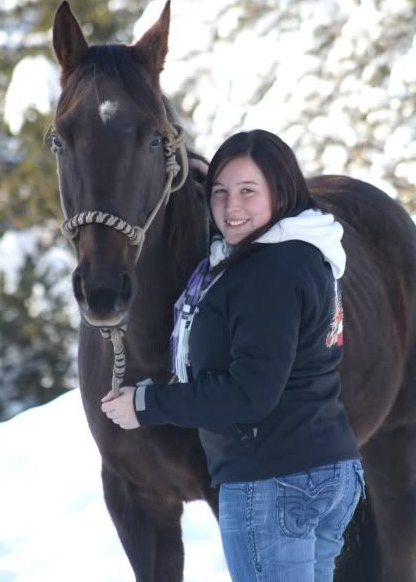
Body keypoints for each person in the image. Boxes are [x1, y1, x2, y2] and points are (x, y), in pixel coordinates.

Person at [101, 129, 364, 582]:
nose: (231, 207)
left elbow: (250, 394)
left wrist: (147, 405)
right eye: (220, 193)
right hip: (324, 469)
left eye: (248, 191)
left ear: (281, 191)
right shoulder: (303, 253)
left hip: (275, 483)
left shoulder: (267, 273)